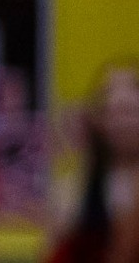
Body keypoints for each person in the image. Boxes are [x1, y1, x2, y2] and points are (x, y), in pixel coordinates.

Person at [49, 65, 139, 263]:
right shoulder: (76, 186)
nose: (123, 123)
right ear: (98, 121)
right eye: (115, 112)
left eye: (130, 111)